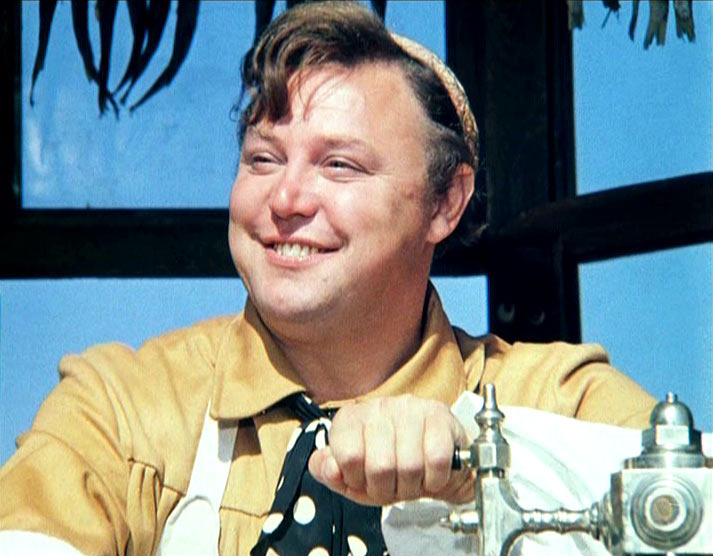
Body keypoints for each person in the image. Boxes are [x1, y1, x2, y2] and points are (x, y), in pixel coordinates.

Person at [0, 2, 657, 555]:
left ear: (444, 203)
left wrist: (484, 468)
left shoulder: (561, 402)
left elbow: (687, 512)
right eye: (263, 159)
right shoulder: (119, 408)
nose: (286, 198)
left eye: (339, 165)